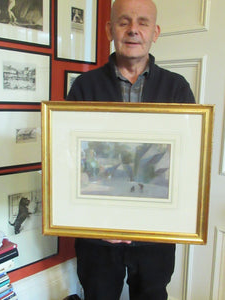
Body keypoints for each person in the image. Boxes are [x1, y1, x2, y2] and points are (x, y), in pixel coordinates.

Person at [67, 0, 195, 299]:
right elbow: (69, 161)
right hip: (97, 235)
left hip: (156, 235)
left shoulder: (177, 89)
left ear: (155, 32)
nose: (133, 30)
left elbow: (188, 160)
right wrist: (96, 225)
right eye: (124, 22)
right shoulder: (84, 87)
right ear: (110, 29)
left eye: (142, 22)